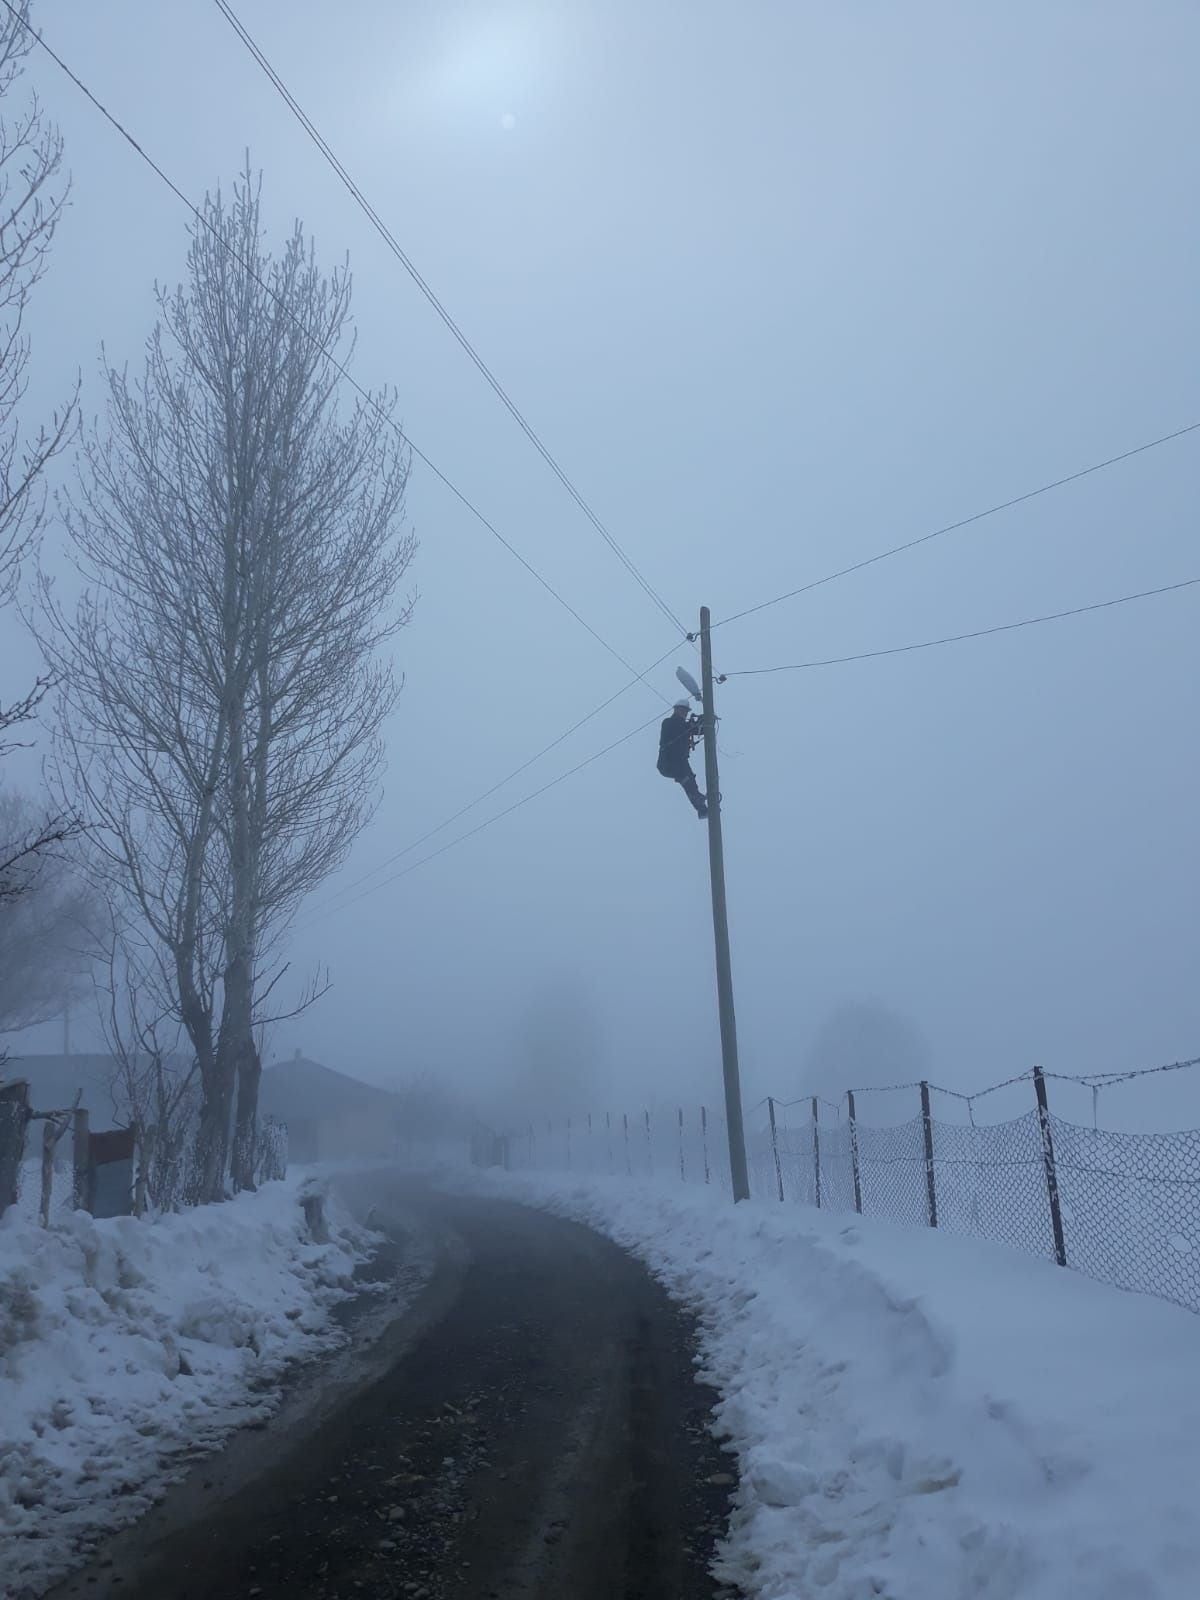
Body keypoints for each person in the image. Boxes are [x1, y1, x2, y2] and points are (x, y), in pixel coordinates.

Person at [657, 698, 707, 818]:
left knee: (690, 781)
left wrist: (707, 720)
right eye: (682, 710)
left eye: (685, 711)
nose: (684, 713)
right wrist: (695, 723)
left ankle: (702, 810)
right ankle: (698, 802)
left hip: (679, 761)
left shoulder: (684, 726)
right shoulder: (669, 722)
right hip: (668, 762)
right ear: (676, 710)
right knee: (687, 779)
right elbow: (680, 727)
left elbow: (699, 730)